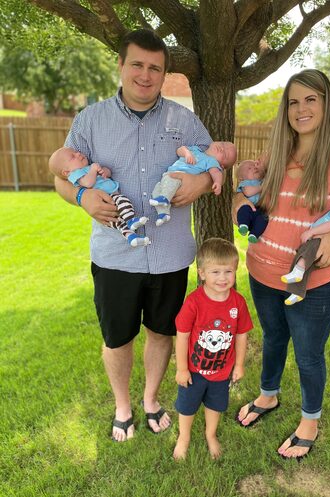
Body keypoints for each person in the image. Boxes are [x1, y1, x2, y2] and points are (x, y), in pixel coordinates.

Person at [51, 28, 227, 442]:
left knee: (162, 332)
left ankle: (150, 399)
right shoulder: (89, 121)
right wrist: (81, 196)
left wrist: (199, 186)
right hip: (115, 256)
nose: (146, 75)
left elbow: (213, 163)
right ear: (121, 65)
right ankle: (122, 406)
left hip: (170, 253)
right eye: (137, 65)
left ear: (164, 73)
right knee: (117, 337)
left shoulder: (184, 121)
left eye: (155, 68)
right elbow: (61, 178)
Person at [233, 69, 330, 461]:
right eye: (294, 101)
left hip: (316, 283)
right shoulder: (275, 156)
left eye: (311, 99)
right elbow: (251, 197)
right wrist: (240, 204)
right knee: (273, 338)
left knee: (308, 354)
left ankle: (309, 422)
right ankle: (268, 396)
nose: (301, 109)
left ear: (327, 103)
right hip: (263, 273)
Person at [173, 238, 253, 460]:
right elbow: (182, 336)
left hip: (221, 372)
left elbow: (241, 334)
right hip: (194, 371)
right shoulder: (194, 302)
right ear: (202, 273)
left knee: (215, 405)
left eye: (228, 271)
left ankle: (211, 434)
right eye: (215, 272)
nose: (222, 278)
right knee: (187, 407)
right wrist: (181, 369)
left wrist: (238, 365)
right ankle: (184, 436)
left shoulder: (238, 303)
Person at [49, 146, 150, 247]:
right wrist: (93, 169)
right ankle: (131, 220)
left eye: (76, 152)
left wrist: (104, 171)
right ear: (66, 172)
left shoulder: (87, 169)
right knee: (123, 202)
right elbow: (88, 183)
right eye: (73, 157)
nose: (78, 154)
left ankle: (132, 238)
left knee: (120, 224)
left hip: (109, 201)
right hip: (107, 200)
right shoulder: (75, 175)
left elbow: (107, 174)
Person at [150, 142, 237, 226]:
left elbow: (217, 173)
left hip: (179, 177)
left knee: (169, 184)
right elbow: (180, 150)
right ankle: (163, 214)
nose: (222, 148)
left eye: (225, 154)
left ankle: (164, 199)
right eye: (223, 144)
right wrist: (187, 153)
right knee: (157, 190)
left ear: (221, 165)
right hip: (168, 174)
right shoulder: (196, 149)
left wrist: (217, 183)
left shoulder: (211, 162)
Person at [236, 158, 268, 243]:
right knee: (243, 210)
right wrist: (263, 187)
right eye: (249, 168)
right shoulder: (245, 183)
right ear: (242, 178)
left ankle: (254, 234)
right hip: (249, 207)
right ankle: (243, 225)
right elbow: (248, 192)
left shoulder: (262, 181)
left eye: (254, 166)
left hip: (259, 209)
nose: (254, 168)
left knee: (263, 218)